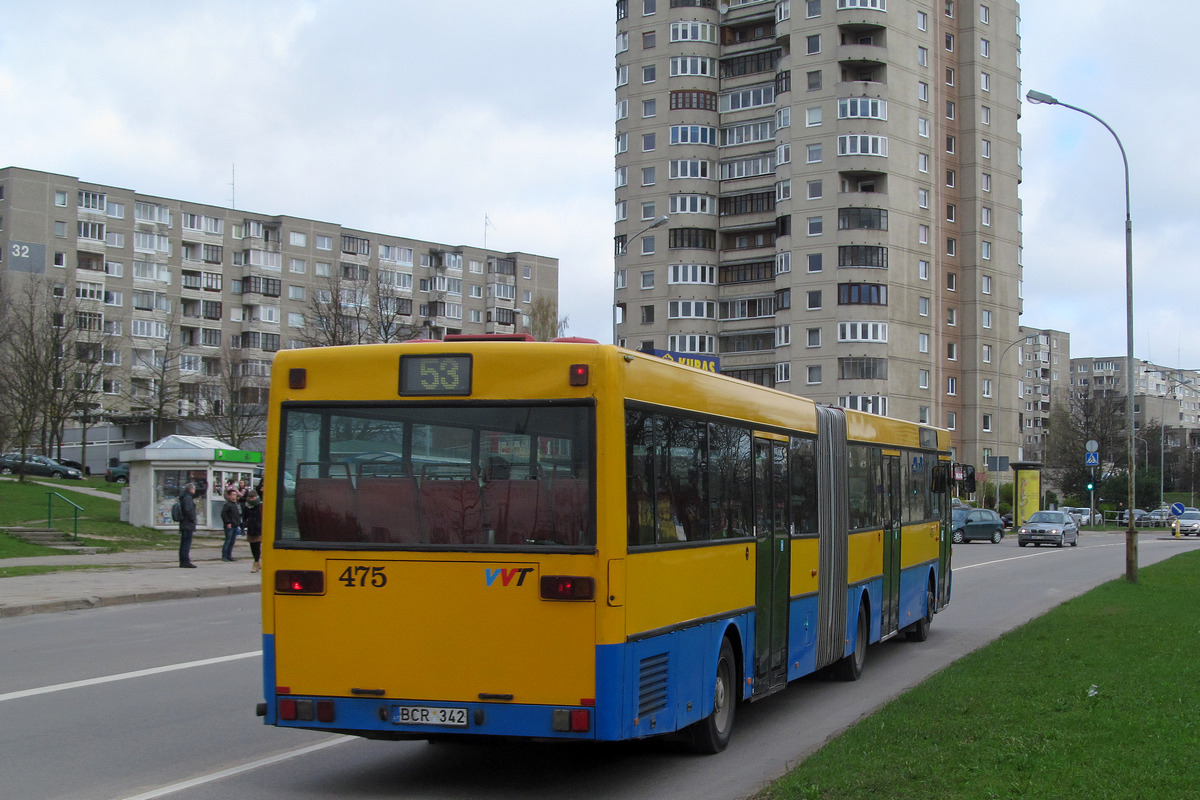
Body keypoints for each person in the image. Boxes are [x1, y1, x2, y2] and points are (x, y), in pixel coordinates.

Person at [178, 483, 198, 568]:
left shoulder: (184, 497)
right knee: (186, 543)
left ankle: (184, 560)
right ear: (191, 489)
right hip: (187, 523)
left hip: (185, 523)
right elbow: (188, 510)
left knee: (184, 542)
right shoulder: (188, 498)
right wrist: (193, 518)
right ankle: (185, 560)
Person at [220, 487, 242, 562]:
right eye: (233, 495)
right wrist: (227, 522)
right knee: (228, 540)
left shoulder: (235, 504)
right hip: (229, 525)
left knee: (232, 541)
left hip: (235, 525)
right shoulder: (227, 504)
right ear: (229, 496)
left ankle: (229, 555)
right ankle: (224, 556)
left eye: (235, 495)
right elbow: (223, 514)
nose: (234, 496)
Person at [243, 489, 263, 573]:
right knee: (252, 546)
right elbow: (244, 517)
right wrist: (245, 524)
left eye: (253, 497)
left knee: (257, 546)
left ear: (256, 497)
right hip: (251, 529)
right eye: (250, 498)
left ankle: (256, 562)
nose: (252, 499)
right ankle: (258, 562)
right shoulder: (247, 506)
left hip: (259, 529)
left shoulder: (261, 506)